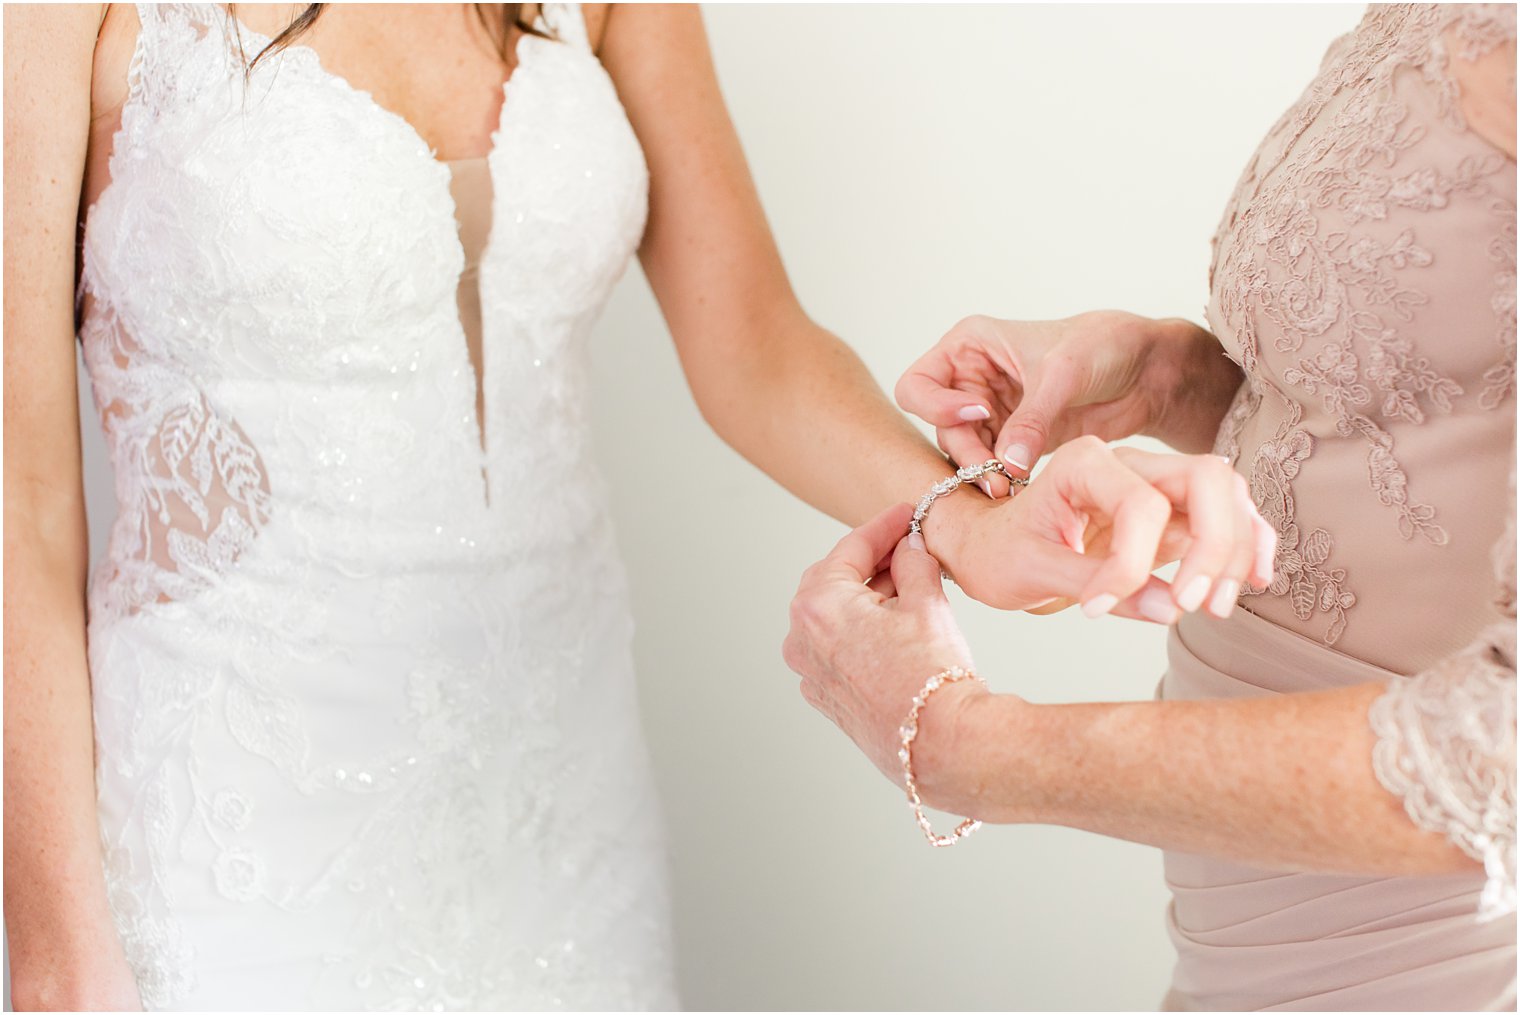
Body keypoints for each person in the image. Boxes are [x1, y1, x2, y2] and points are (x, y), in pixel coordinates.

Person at [2, 3, 1268, 1009]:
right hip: (227, 813)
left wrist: (978, 520)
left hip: (559, 793)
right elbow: (23, 498)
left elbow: (753, 351)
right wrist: (57, 957)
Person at [785, 4, 1516, 1008]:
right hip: (1244, 936)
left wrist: (968, 748)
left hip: (1436, 957)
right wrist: (1177, 382)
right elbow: (1441, 425)